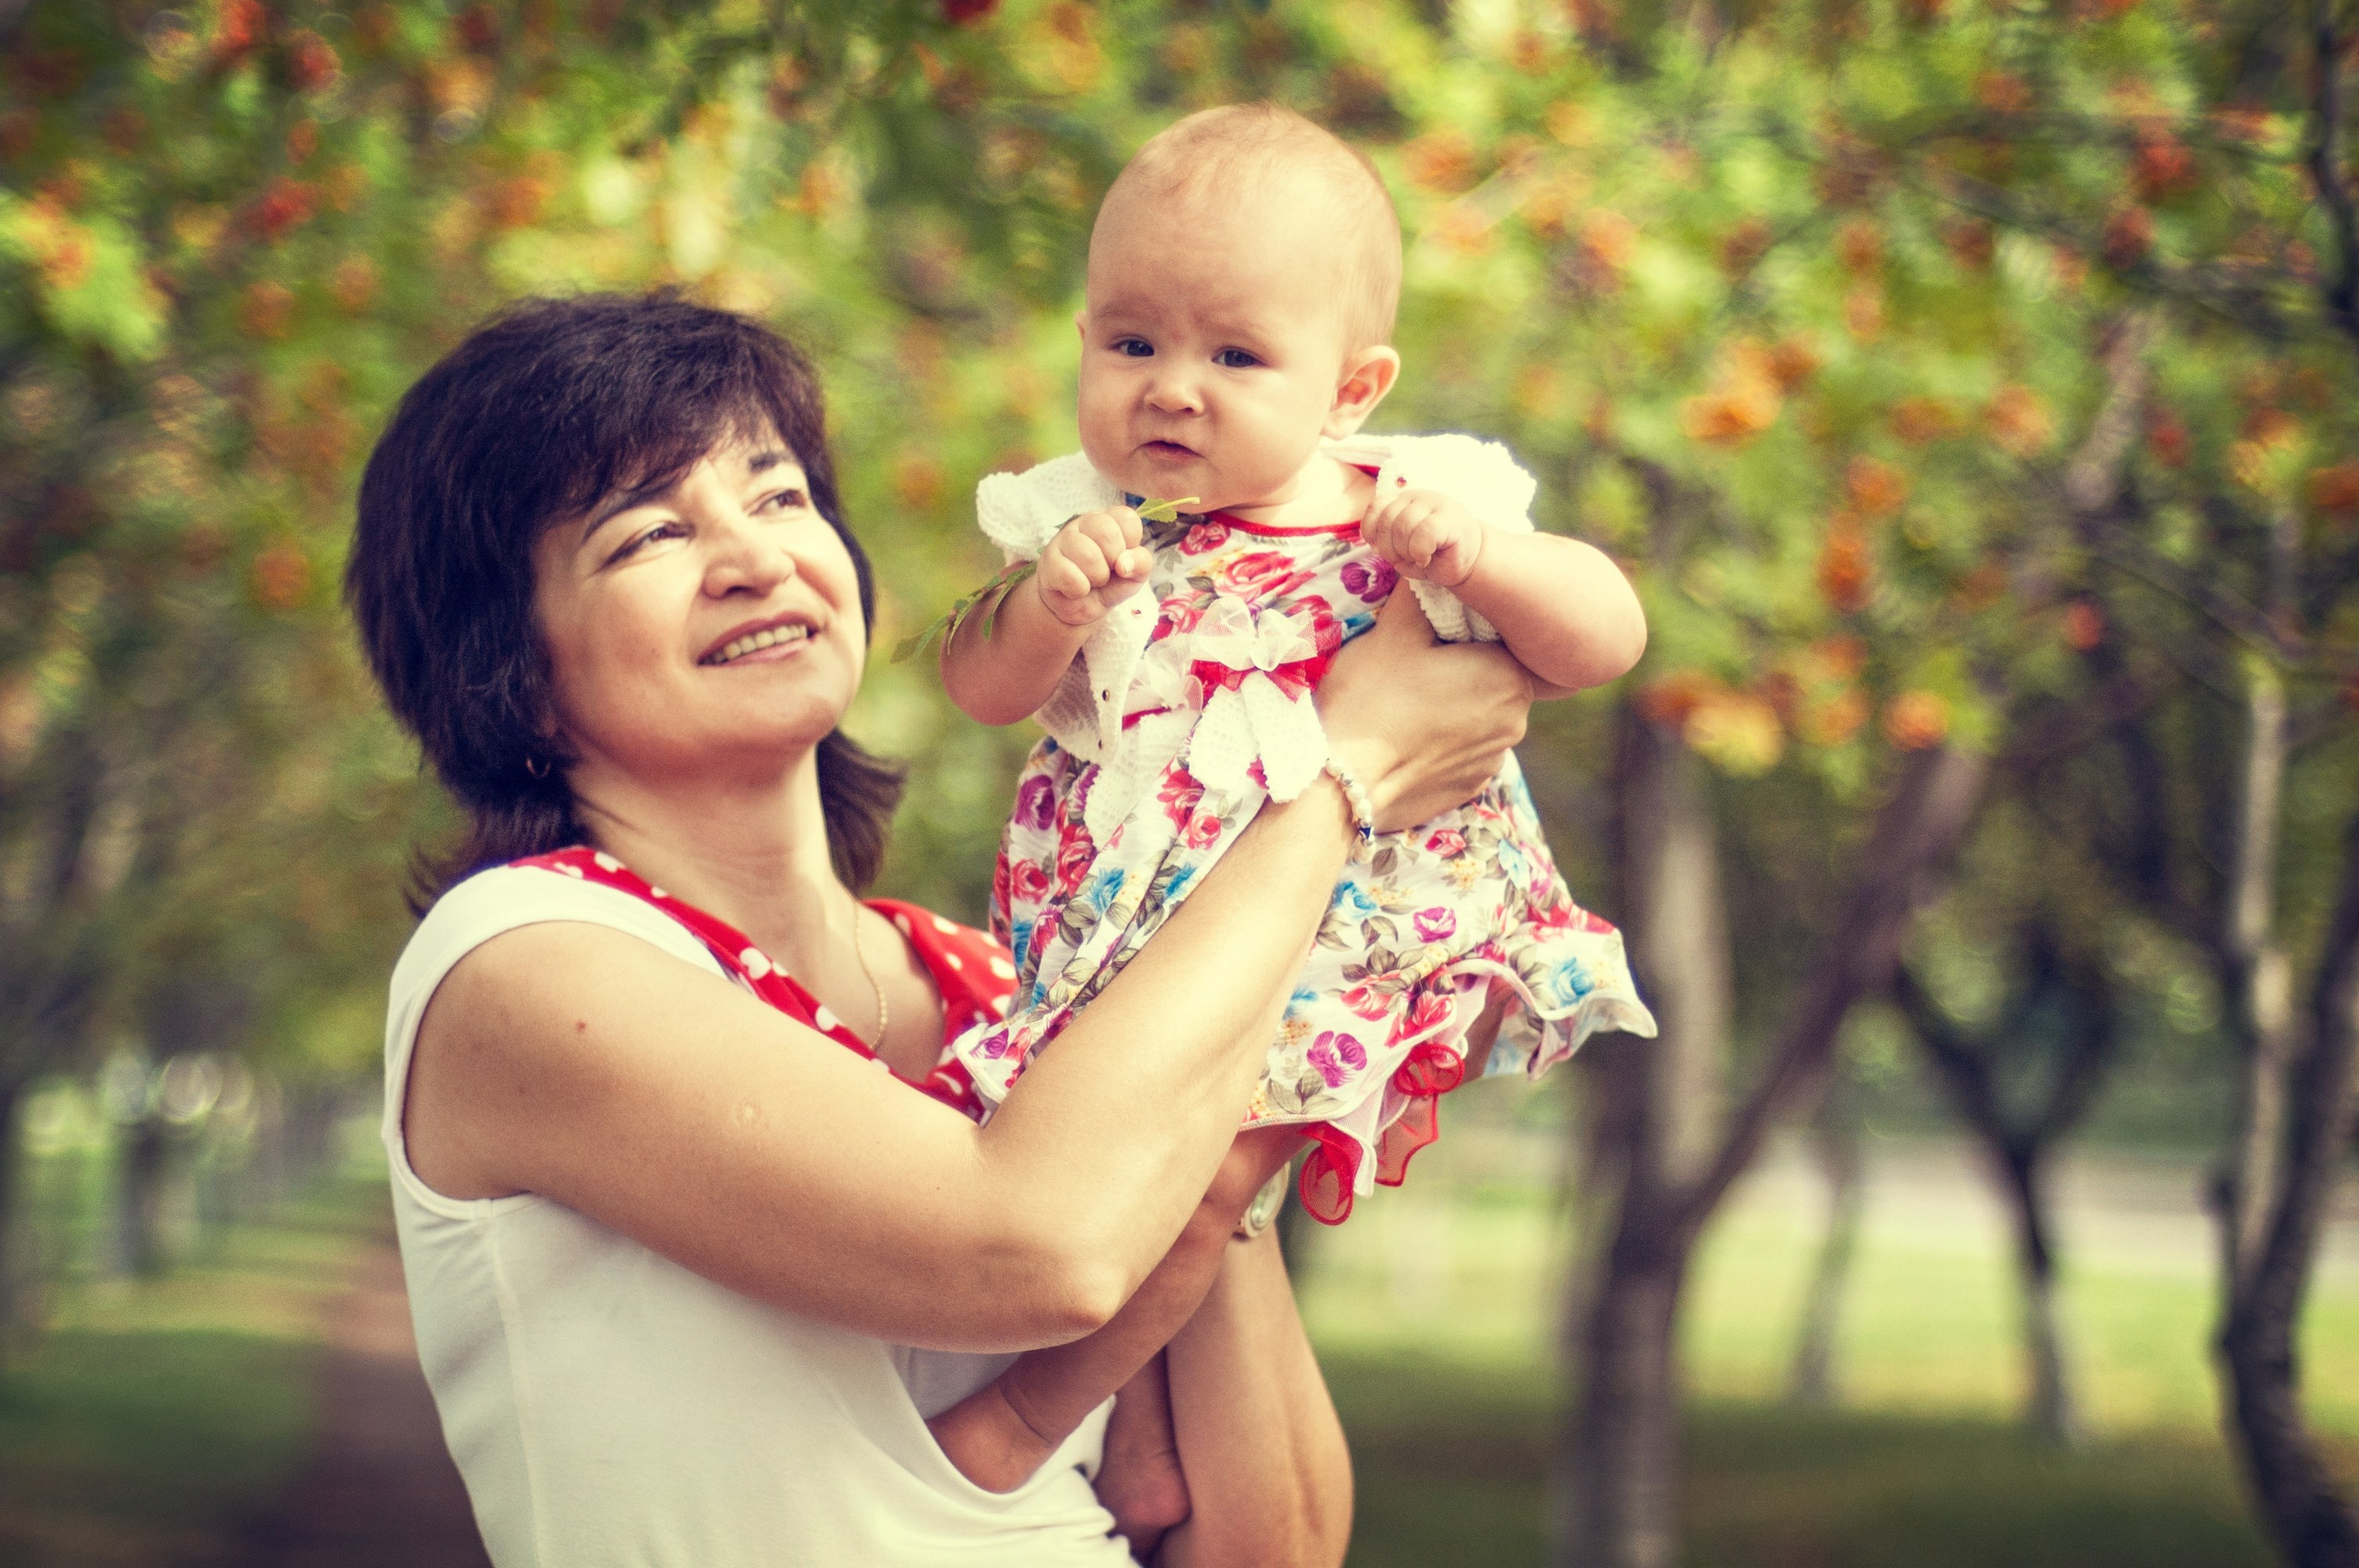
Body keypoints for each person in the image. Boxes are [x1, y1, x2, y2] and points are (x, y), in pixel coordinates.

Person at [344, 290, 1540, 1567]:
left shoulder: (1001, 987)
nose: (754, 557)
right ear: (506, 666)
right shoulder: (522, 965)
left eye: (780, 494)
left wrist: (1212, 1098)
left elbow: (1269, 1542)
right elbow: (1042, 1245)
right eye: (646, 536)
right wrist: (1344, 773)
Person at [922, 105, 1658, 1515]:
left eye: (1235, 355)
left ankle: (1028, 1414)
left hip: (1342, 937)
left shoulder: (1411, 502)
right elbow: (976, 684)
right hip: (1131, 940)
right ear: (1082, 339)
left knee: (1197, 1183)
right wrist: (1042, 607)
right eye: (1130, 342)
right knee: (1119, 1175)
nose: (1172, 390)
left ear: (1351, 388)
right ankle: (1142, 1437)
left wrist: (1489, 563)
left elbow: (1605, 636)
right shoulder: (1080, 517)